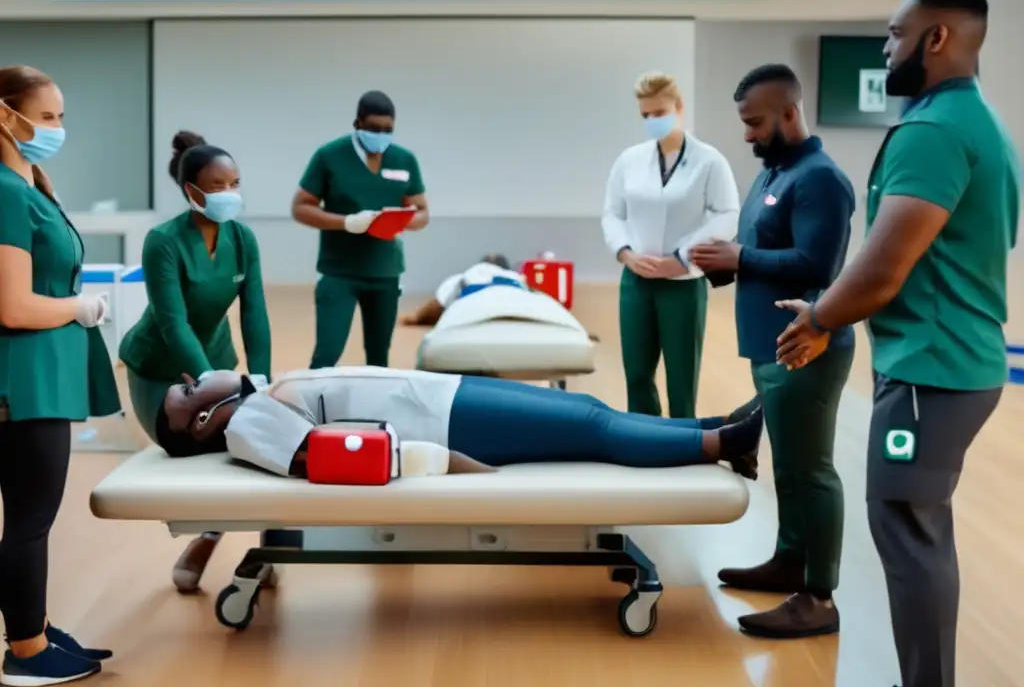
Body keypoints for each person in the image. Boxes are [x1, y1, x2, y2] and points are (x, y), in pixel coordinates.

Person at [775, 0, 1018, 687]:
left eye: (894, 32)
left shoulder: (933, 132)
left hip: (930, 374)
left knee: (909, 535)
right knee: (919, 530)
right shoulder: (983, 124)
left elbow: (884, 268)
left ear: (936, 38)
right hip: (951, 365)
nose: (884, 46)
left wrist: (818, 319)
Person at [690, 64, 856, 639]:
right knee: (787, 466)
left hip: (806, 348)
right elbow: (763, 253)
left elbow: (819, 266)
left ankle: (819, 596)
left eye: (755, 122)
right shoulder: (770, 176)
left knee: (811, 471)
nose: (747, 135)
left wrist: (739, 258)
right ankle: (791, 560)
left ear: (790, 111)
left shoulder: (820, 178)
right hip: (770, 349)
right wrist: (725, 260)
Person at [0, 66, 120, 685]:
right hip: (21, 384)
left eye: (60, 118)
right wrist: (77, 307)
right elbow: (13, 306)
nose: (57, 129)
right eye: (47, 118)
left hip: (41, 378)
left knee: (32, 516)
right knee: (28, 519)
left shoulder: (29, 184)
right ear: (6, 116)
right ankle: (25, 652)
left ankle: (35, 630)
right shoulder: (5, 192)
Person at [119, 131, 272, 595]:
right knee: (193, 457)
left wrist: (259, 377)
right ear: (192, 191)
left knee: (247, 449)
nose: (231, 194)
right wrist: (207, 380)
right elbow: (172, 320)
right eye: (219, 186)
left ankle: (241, 542)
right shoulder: (163, 241)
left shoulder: (243, 238)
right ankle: (203, 536)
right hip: (160, 365)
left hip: (217, 357)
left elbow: (255, 312)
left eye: (236, 183)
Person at [151, 368, 766, 483]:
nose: (193, 375)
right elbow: (334, 459)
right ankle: (720, 444)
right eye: (186, 392)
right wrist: (440, 461)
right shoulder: (246, 427)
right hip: (448, 421)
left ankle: (711, 427)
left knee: (593, 414)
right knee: (591, 426)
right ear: (203, 422)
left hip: (445, 394)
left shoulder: (258, 395)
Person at [602, 71, 740, 419]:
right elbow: (612, 214)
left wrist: (683, 258)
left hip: (683, 284)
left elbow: (727, 214)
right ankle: (643, 440)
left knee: (682, 378)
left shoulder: (709, 161)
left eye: (659, 113)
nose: (652, 121)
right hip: (636, 280)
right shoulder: (629, 160)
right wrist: (627, 254)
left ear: (678, 107)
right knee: (636, 374)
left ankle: (684, 450)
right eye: (645, 116)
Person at [292, 90, 430, 369]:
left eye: (387, 130)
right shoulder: (330, 156)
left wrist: (402, 221)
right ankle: (312, 408)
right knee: (327, 353)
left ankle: (376, 410)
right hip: (339, 272)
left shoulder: (404, 160)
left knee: (379, 358)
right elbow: (301, 207)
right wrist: (345, 222)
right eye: (373, 129)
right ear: (357, 124)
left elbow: (422, 211)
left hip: (385, 273)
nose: (380, 135)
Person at [399, 253, 524, 327]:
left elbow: (436, 305)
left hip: (469, 310)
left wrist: (416, 318)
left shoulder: (461, 277)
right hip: (509, 310)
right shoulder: (518, 278)